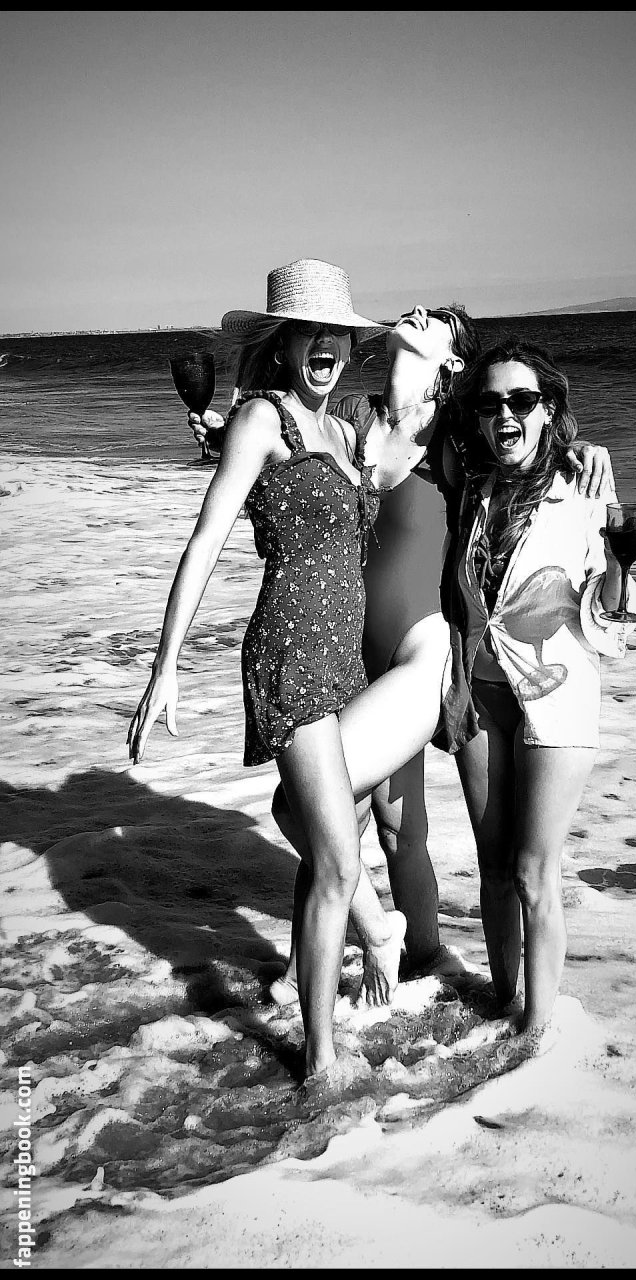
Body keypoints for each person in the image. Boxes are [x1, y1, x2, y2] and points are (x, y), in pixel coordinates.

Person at [191, 306, 617, 1010]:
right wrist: (226, 435)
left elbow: (520, 441)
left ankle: (414, 949)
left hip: (420, 651)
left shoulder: (453, 432)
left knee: (367, 823)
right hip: (346, 649)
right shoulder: (352, 418)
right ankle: (322, 965)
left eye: (439, 322)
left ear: (452, 364)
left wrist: (580, 448)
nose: (419, 314)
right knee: (354, 821)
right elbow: (293, 442)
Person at [128, 257, 409, 1084]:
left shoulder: (345, 432)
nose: (325, 346)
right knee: (339, 861)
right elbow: (205, 541)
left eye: (337, 334)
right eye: (308, 333)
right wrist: (166, 664)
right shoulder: (263, 418)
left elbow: (420, 421)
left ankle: (315, 977)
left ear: (349, 346)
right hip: (289, 654)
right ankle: (320, 1058)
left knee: (333, 843)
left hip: (348, 659)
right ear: (282, 345)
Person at [434, 338, 636, 1046]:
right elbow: (411, 416)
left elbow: (614, 625)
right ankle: (502, 1004)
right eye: (490, 403)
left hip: (555, 699)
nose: (505, 415)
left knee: (533, 873)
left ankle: (535, 1032)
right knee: (494, 868)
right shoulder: (472, 485)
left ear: (548, 408)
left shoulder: (584, 492)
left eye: (522, 401)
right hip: (478, 695)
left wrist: (617, 565)